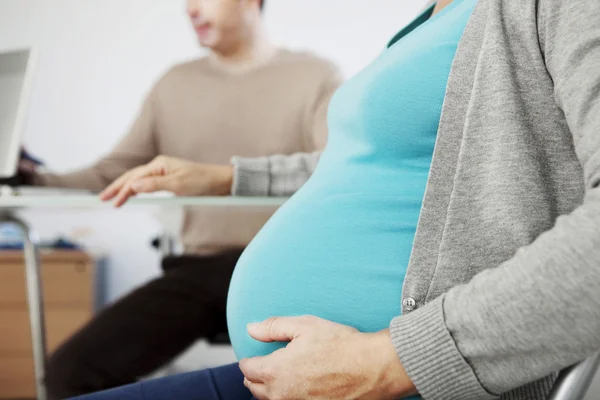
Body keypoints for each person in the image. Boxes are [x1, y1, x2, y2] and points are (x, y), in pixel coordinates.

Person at [72, 0, 600, 398]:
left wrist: (388, 362)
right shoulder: (429, 20)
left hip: (399, 381)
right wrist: (224, 177)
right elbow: (363, 164)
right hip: (297, 379)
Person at [13, 0, 342, 398]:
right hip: (199, 271)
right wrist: (31, 177)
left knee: (278, 382)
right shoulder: (174, 84)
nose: (190, 9)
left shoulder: (315, 76)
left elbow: (335, 167)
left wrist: (228, 178)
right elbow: (112, 172)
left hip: (283, 267)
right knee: (70, 371)